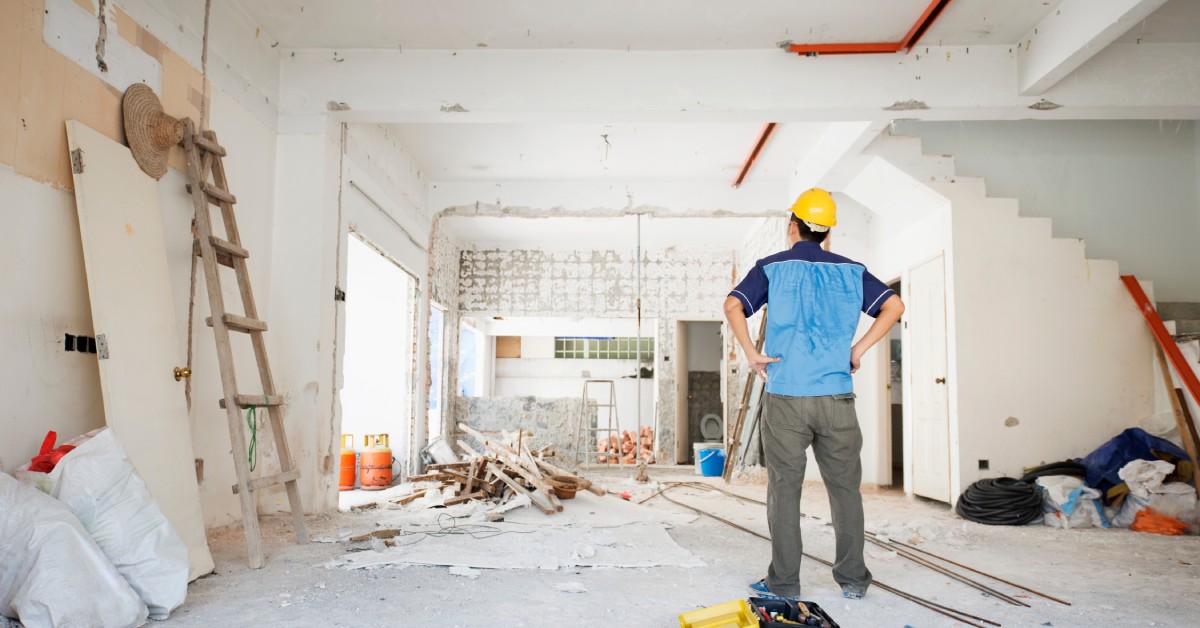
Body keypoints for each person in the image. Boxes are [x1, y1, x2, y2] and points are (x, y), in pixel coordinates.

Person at [723, 188, 904, 601]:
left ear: (793, 227)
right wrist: (856, 350)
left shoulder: (772, 267)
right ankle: (854, 581)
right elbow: (894, 306)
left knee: (785, 491)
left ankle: (784, 583)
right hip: (837, 396)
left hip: (786, 397)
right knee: (845, 490)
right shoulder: (852, 270)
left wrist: (753, 354)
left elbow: (733, 305)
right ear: (827, 234)